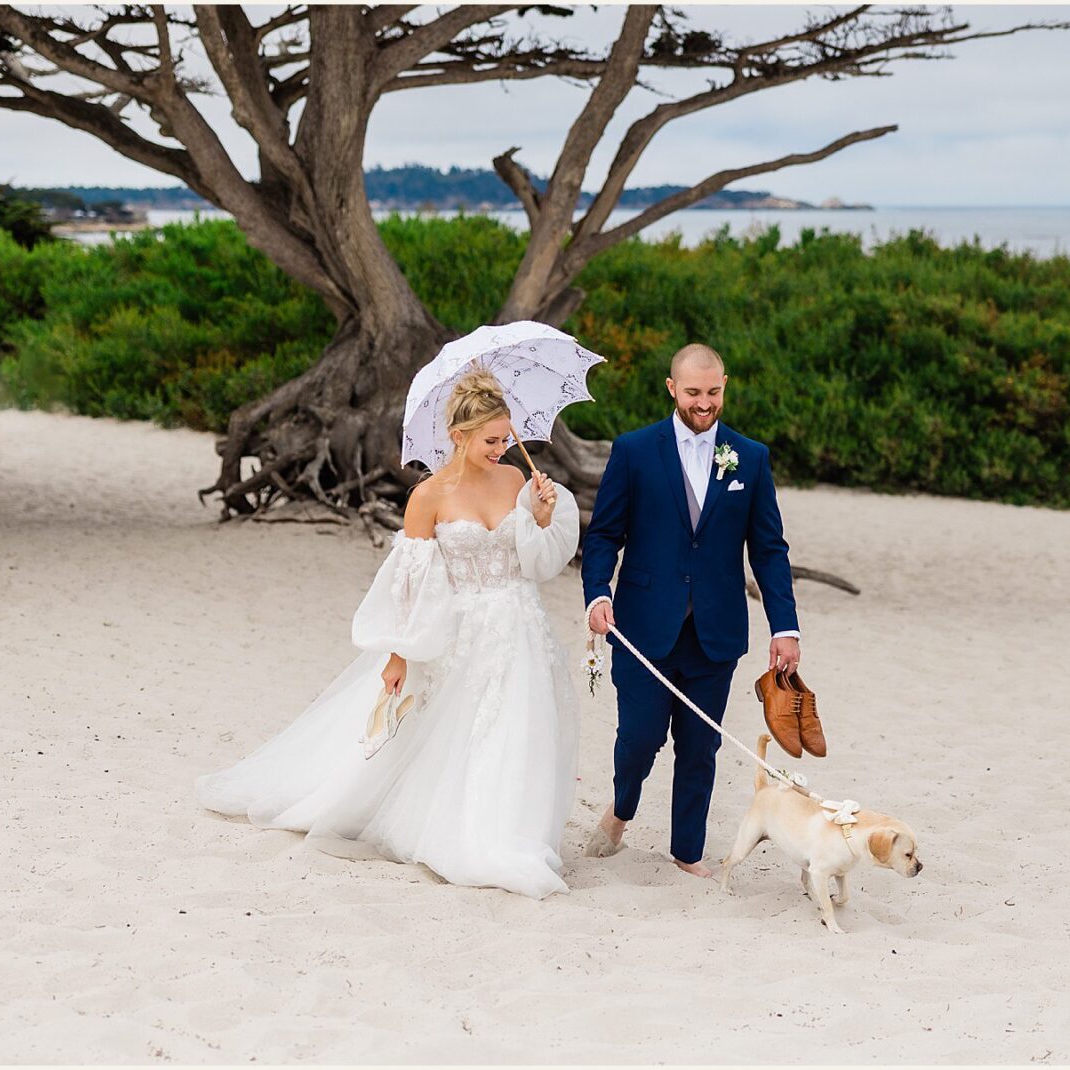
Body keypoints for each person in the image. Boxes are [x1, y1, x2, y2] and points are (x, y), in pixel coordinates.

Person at [196, 368, 582, 899]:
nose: (503, 449)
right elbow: (410, 585)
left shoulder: (517, 480)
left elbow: (534, 560)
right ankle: (462, 830)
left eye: (507, 438)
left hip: (521, 624)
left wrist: (540, 516)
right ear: (459, 436)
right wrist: (398, 655)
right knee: (454, 731)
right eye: (492, 441)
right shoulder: (427, 497)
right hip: (460, 632)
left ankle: (510, 830)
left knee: (519, 728)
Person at [580, 342, 801, 877]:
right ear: (672, 388)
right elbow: (605, 534)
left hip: (716, 630)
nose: (705, 403)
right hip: (640, 625)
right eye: (694, 392)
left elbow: (768, 549)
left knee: (700, 747)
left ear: (725, 385)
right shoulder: (633, 451)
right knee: (639, 738)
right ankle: (622, 810)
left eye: (714, 391)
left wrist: (785, 626)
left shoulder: (750, 456)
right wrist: (597, 593)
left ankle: (686, 852)